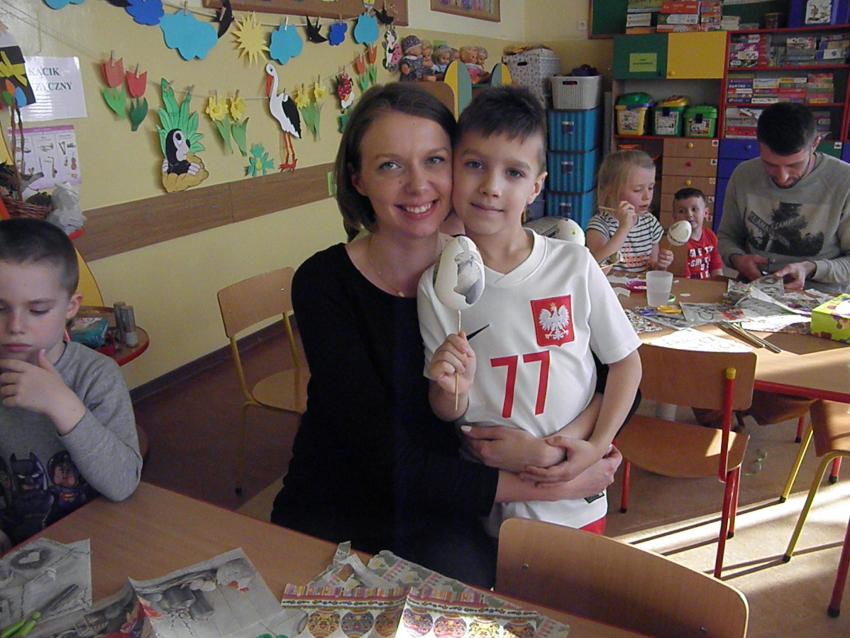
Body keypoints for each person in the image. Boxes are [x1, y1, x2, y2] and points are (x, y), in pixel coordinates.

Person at [270, 83, 623, 588]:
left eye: (434, 160)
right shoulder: (325, 283)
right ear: (358, 179)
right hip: (339, 502)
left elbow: (613, 372)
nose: (418, 185)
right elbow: (386, 460)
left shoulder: (489, 271)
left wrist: (564, 450)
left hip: (447, 511)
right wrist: (553, 485)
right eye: (390, 165)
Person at [418, 87, 642, 536]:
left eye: (514, 172)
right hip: (494, 503)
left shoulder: (573, 264)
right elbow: (448, 410)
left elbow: (626, 364)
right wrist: (449, 389)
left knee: (575, 580)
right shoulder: (438, 285)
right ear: (452, 170)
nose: (491, 186)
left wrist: (595, 445)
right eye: (474, 165)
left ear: (536, 187)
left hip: (577, 498)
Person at [0, 218, 141, 549]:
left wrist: (63, 405)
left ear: (70, 307)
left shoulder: (96, 375)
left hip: (96, 541)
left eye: (38, 309)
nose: (15, 326)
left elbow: (123, 483)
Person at [718, 101, 850, 293]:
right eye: (770, 164)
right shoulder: (744, 174)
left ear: (815, 144)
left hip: (822, 296)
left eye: (794, 165)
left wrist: (811, 269)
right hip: (755, 291)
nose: (782, 177)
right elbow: (727, 237)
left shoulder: (844, 181)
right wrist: (737, 259)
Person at [586, 150, 673, 274]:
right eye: (637, 189)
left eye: (651, 187)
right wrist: (624, 228)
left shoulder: (650, 222)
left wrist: (660, 266)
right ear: (611, 190)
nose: (647, 196)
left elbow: (652, 268)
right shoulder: (599, 226)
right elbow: (598, 271)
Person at [672, 187, 723, 280]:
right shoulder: (677, 241)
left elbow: (716, 267)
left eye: (694, 209)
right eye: (681, 211)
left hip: (707, 284)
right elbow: (682, 277)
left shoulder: (710, 236)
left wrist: (719, 284)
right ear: (675, 217)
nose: (689, 215)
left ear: (706, 213)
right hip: (686, 285)